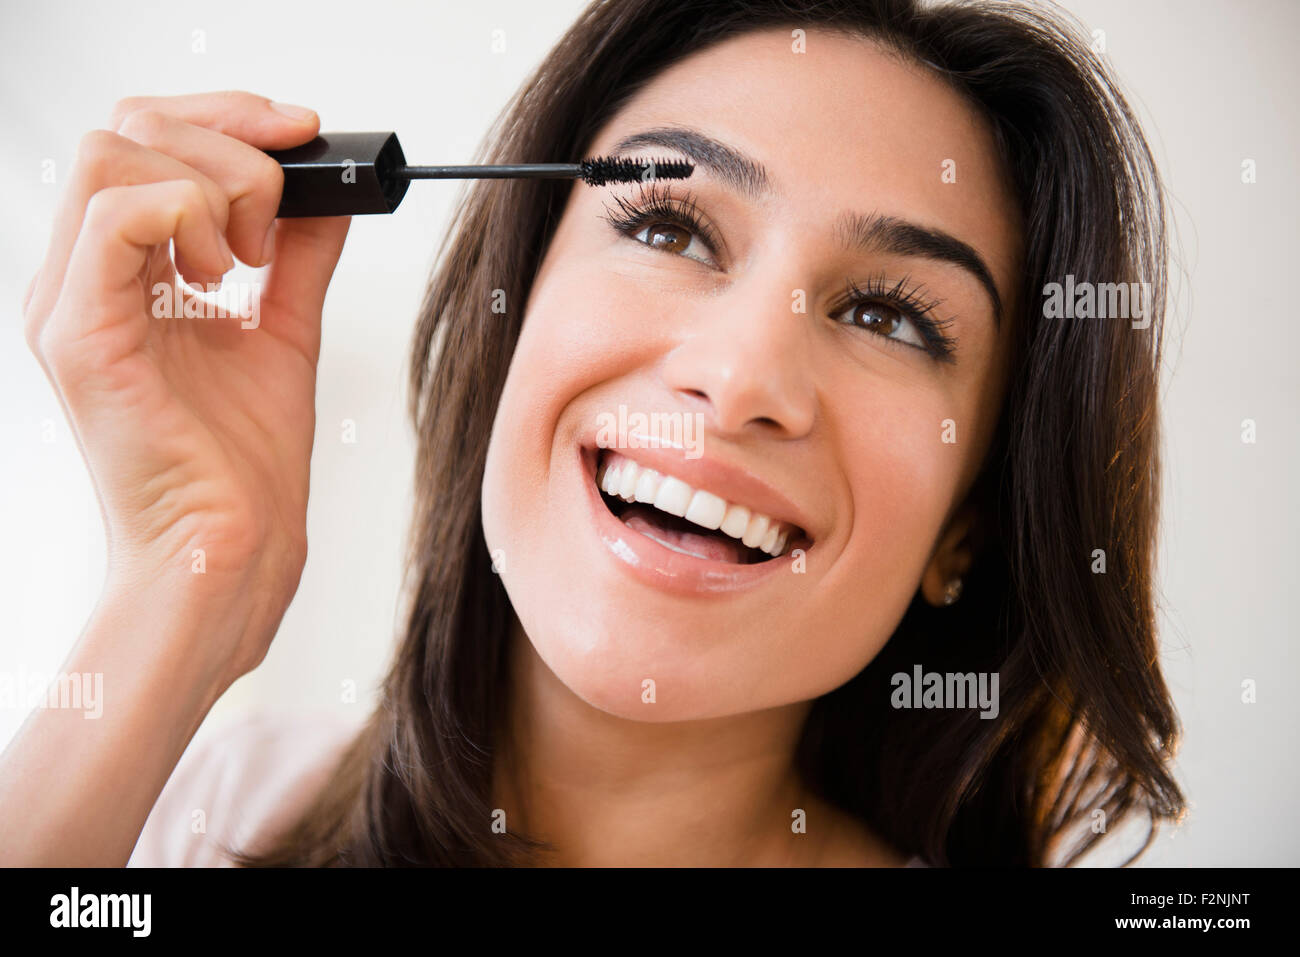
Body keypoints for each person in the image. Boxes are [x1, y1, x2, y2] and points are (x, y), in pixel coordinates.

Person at [3, 0, 1184, 867]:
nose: (739, 377)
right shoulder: (201, 810)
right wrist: (183, 582)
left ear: (964, 529)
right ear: (511, 309)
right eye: (670, 228)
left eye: (885, 315)